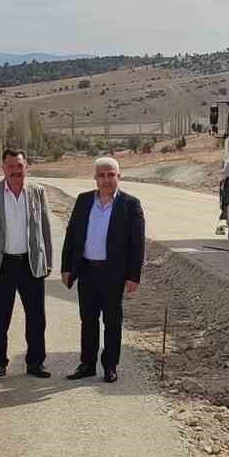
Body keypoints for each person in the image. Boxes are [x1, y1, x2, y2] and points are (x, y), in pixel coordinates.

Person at [61, 157, 146, 383]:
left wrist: (133, 276)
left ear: (119, 177)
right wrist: (66, 267)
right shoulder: (83, 200)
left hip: (113, 273)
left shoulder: (130, 205)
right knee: (88, 320)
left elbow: (137, 244)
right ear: (95, 178)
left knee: (112, 321)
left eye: (111, 175)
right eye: (102, 175)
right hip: (87, 270)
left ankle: (110, 366)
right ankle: (87, 364)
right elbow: (72, 235)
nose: (106, 179)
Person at [0, 149, 54, 381]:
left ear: (25, 166)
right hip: (2, 265)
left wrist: (47, 260)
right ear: (3, 168)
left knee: (37, 318)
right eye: (10, 166)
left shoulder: (37, 191)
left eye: (19, 166)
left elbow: (45, 228)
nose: (15, 171)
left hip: (31, 263)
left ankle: (35, 362)